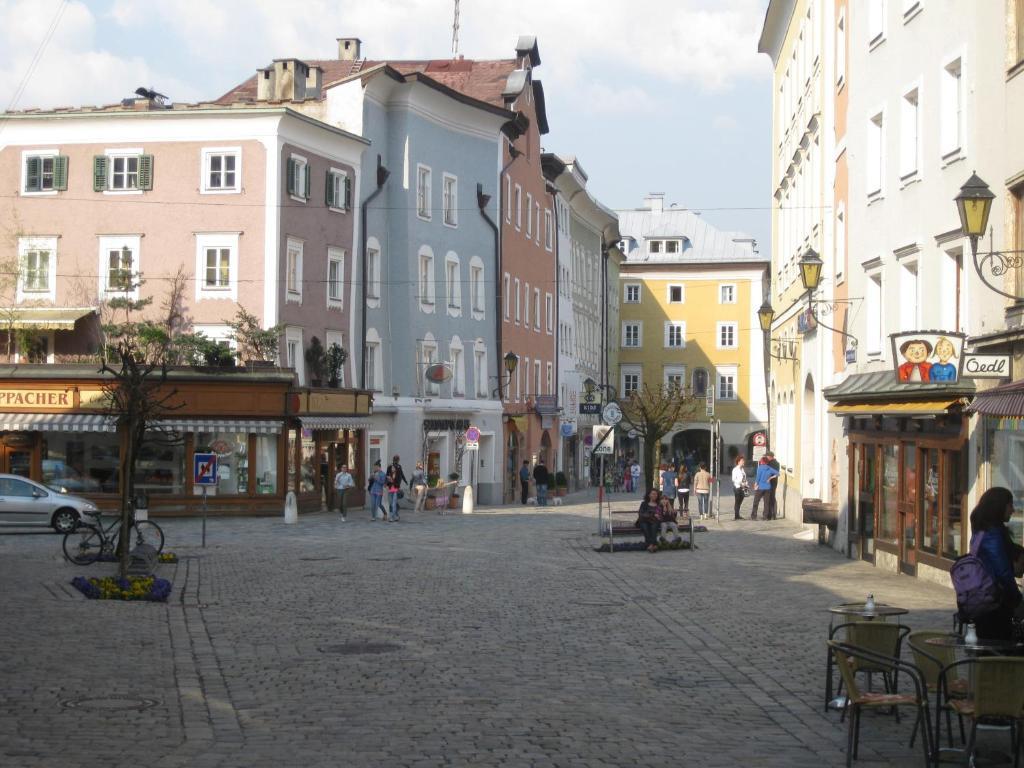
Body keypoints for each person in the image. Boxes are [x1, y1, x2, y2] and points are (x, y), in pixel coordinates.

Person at [969, 487, 1022, 640]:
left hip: (983, 600)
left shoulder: (981, 531)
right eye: (1010, 505)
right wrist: (1016, 597)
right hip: (993, 603)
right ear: (999, 506)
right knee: (996, 648)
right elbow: (1002, 572)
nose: (1013, 510)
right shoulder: (992, 535)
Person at [750, 456, 780, 521]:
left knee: (756, 502)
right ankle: (765, 517)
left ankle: (754, 516)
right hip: (768, 488)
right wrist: (770, 478)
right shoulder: (769, 468)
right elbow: (778, 474)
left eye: (761, 461)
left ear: (762, 461)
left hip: (760, 487)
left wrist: (755, 485)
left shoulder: (760, 468)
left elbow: (758, 478)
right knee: (766, 503)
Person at [637, 488, 661, 553]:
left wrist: (658, 516)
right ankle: (653, 544)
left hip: (654, 521)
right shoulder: (644, 503)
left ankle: (650, 545)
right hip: (644, 521)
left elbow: (661, 515)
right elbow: (641, 514)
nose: (655, 495)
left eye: (656, 494)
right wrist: (652, 515)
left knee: (654, 527)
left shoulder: (659, 504)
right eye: (653, 494)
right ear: (649, 495)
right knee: (645, 527)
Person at [730, 456, 748, 520]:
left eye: (743, 460)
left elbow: (744, 478)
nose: (743, 462)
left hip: (743, 488)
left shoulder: (742, 469)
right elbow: (733, 479)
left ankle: (738, 515)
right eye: (742, 461)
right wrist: (740, 483)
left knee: (740, 501)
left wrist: (746, 483)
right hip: (737, 487)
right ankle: (736, 516)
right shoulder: (735, 469)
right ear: (738, 462)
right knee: (737, 502)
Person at [765, 451, 781, 520]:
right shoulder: (777, 463)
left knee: (769, 498)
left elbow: (771, 473)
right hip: (774, 482)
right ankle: (774, 514)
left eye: (767, 456)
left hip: (770, 482)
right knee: (772, 497)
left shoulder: (770, 463)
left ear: (770, 457)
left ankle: (769, 515)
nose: (766, 457)